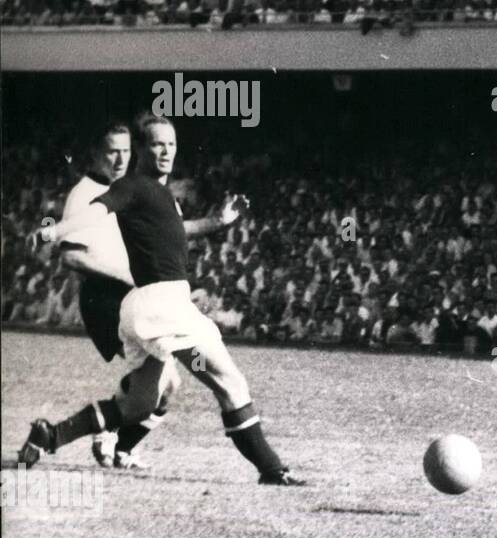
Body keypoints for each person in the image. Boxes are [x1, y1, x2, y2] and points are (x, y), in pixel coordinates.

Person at [20, 113, 305, 485]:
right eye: (157, 143)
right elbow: (93, 213)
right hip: (164, 308)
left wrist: (217, 222)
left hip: (146, 309)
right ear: (142, 149)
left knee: (139, 403)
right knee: (229, 382)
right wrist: (51, 231)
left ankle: (50, 435)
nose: (167, 150)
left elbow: (171, 231)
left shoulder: (158, 195)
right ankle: (272, 469)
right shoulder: (133, 186)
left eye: (171, 143)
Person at [59, 122, 167, 469]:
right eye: (112, 151)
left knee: (166, 385)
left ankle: (120, 444)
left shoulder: (126, 189)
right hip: (104, 300)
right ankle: (110, 431)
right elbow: (71, 255)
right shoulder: (83, 193)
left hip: (131, 298)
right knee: (161, 377)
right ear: (96, 154)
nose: (120, 159)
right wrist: (123, 273)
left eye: (125, 151)